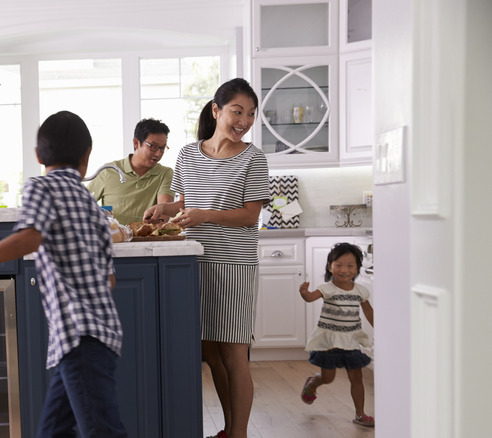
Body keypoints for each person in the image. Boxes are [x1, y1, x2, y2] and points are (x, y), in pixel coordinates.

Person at [0, 110, 127, 438]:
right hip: (96, 336)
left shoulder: (41, 187)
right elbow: (109, 280)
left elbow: (29, 237)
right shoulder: (93, 207)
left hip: (76, 335)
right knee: (53, 432)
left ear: (37, 156)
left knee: (102, 431)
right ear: (86, 156)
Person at [143, 78, 270, 438]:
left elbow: (249, 216)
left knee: (234, 354)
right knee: (209, 351)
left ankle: (239, 433)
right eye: (236, 111)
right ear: (216, 110)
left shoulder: (253, 158)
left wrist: (205, 215)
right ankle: (229, 429)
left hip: (234, 265)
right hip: (194, 263)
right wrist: (165, 208)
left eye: (249, 114)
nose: (243, 120)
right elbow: (186, 202)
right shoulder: (187, 154)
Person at [298, 242, 375, 428]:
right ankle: (312, 384)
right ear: (330, 266)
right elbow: (310, 298)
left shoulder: (360, 291)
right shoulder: (327, 289)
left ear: (357, 268)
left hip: (351, 341)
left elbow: (369, 312)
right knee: (328, 378)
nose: (344, 270)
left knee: (356, 377)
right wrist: (304, 293)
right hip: (329, 343)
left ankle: (360, 414)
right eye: (338, 265)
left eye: (350, 266)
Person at [86, 118, 175, 225]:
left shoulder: (165, 173)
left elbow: (163, 212)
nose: (158, 154)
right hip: (116, 239)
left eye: (162, 148)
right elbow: (83, 205)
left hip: (149, 239)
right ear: (136, 143)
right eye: (154, 147)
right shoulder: (108, 171)